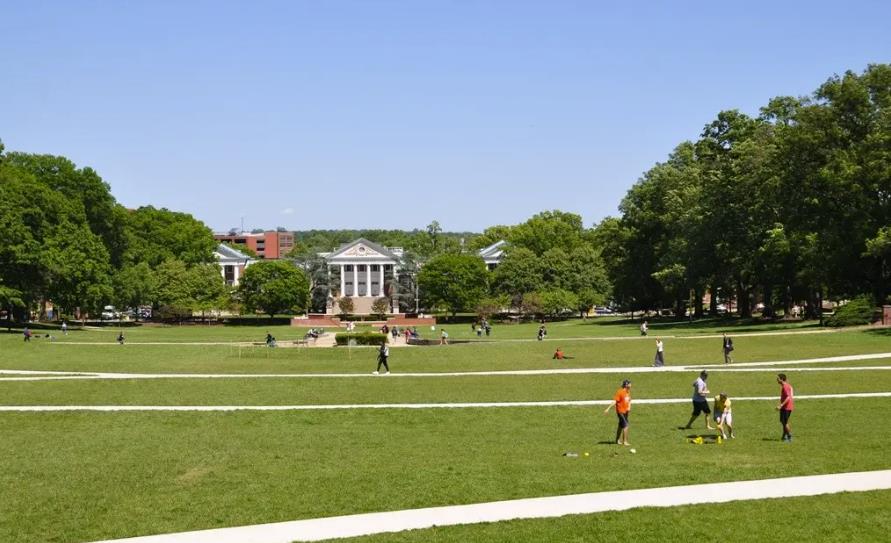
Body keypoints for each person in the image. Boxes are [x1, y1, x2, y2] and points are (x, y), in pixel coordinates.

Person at [604, 379, 632, 446]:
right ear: (626, 385)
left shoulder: (627, 392)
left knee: (621, 425)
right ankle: (625, 441)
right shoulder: (620, 392)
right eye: (629, 383)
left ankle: (617, 440)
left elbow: (629, 400)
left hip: (626, 412)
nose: (631, 385)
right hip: (620, 411)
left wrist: (629, 407)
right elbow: (615, 401)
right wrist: (608, 408)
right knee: (626, 426)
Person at [776, 373, 794, 442]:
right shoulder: (787, 386)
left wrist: (781, 405)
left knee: (785, 422)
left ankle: (789, 436)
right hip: (785, 407)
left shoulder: (785, 387)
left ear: (782, 379)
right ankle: (784, 436)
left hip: (786, 407)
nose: (777, 380)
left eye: (778, 378)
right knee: (783, 421)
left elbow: (788, 397)